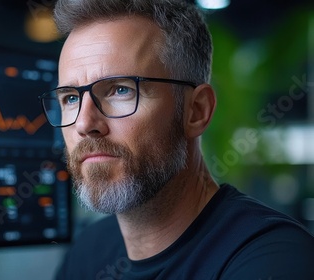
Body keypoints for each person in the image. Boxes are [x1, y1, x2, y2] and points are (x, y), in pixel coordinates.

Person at [37, 0, 314, 279]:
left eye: (120, 90)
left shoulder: (274, 259)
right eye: (70, 98)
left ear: (196, 111)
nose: (85, 124)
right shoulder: (89, 251)